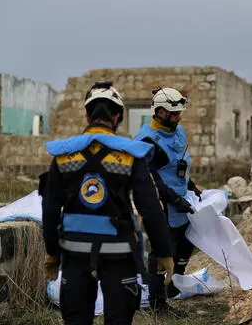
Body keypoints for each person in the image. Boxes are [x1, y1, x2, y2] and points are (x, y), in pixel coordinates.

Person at [40, 80, 175, 325]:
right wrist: (165, 252)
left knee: (76, 320)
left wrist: (52, 254)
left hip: (75, 253)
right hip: (119, 254)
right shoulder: (132, 154)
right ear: (118, 117)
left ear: (87, 114)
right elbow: (151, 208)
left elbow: (49, 209)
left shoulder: (62, 155)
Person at [134, 87, 203, 319]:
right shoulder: (148, 141)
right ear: (160, 112)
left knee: (185, 245)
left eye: (179, 114)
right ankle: (157, 304)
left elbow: (178, 163)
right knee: (161, 252)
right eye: (173, 114)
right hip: (160, 204)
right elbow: (150, 180)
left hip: (179, 200)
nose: (177, 118)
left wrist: (190, 184)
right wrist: (173, 199)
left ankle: (173, 284)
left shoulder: (178, 131)